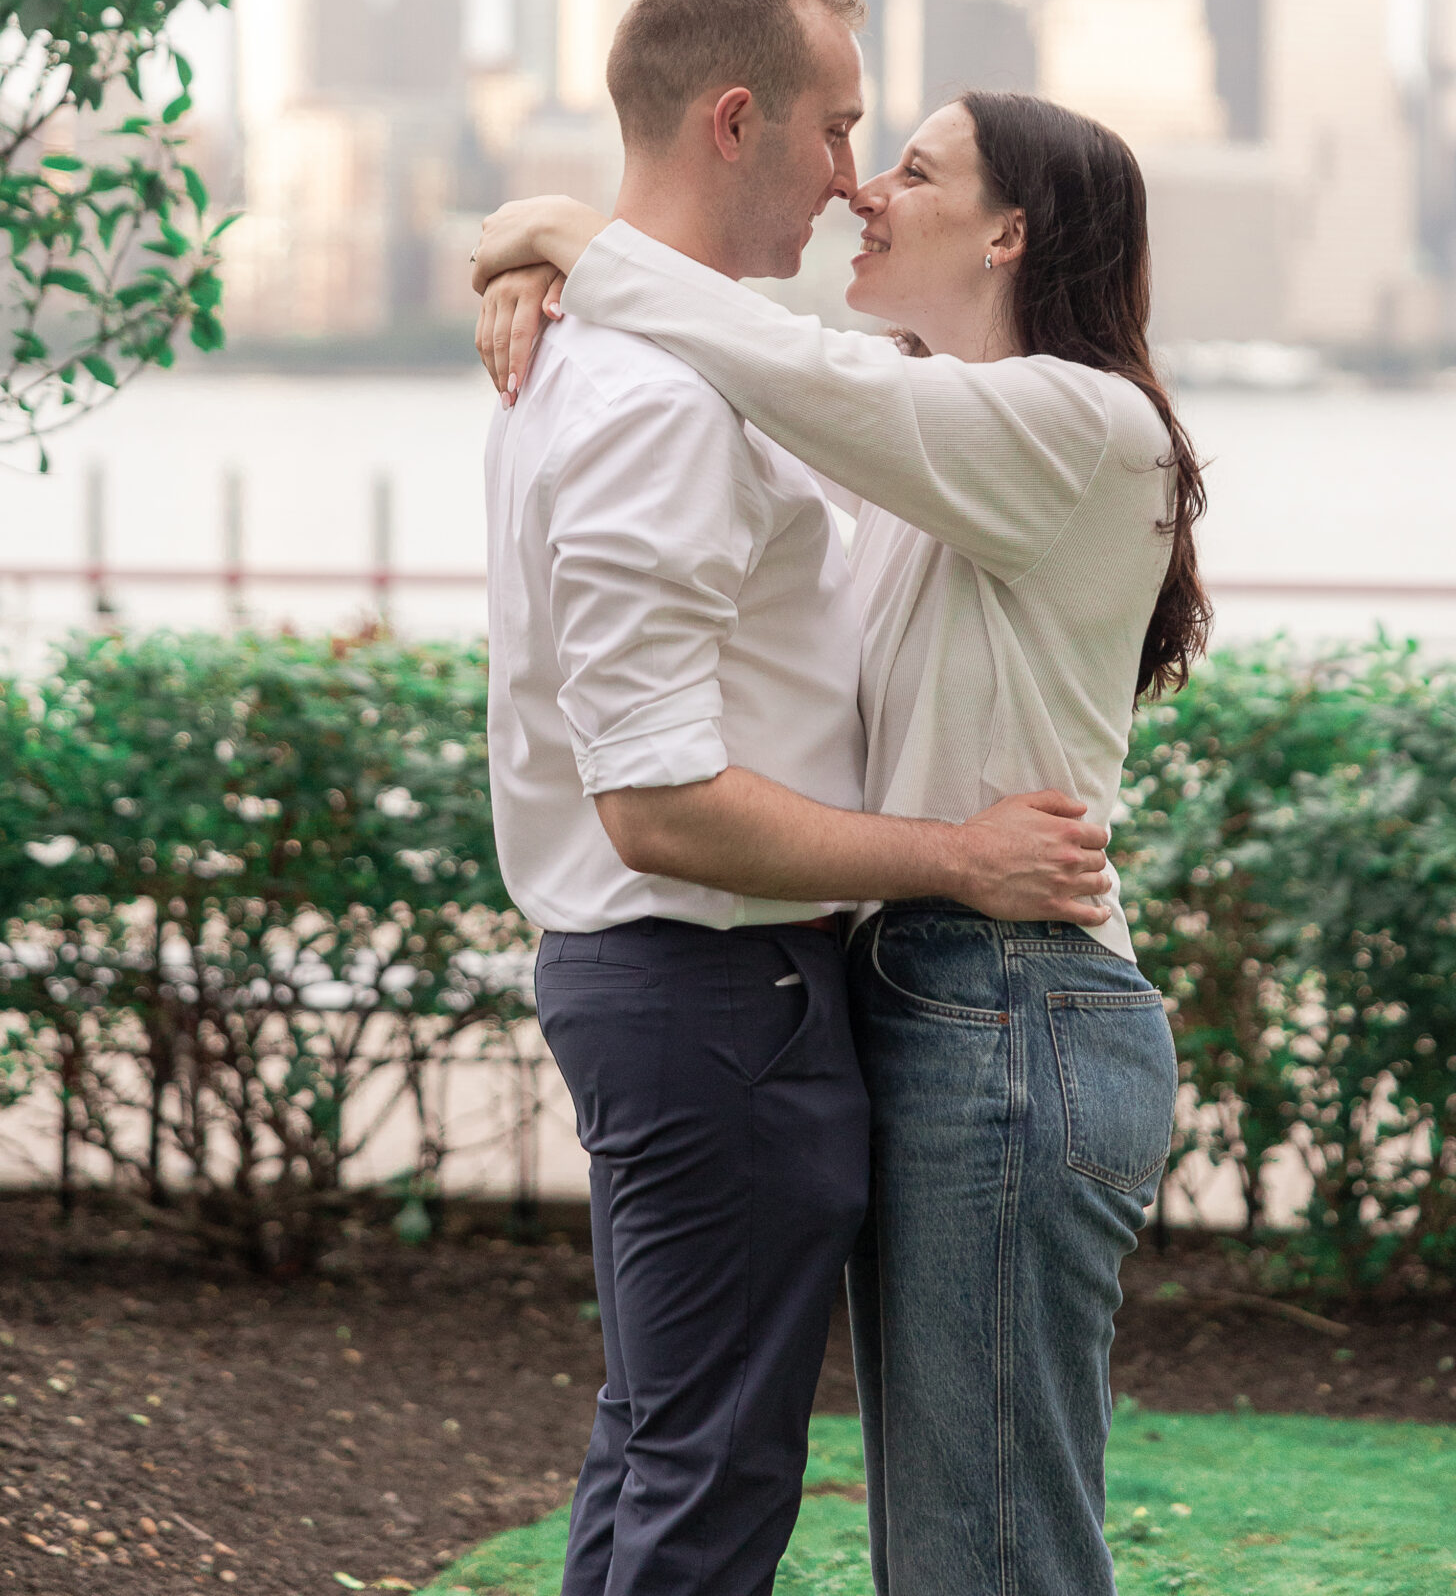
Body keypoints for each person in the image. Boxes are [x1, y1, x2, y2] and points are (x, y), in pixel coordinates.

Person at [475, 80, 1209, 1596]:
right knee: (943, 1544)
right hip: (940, 998)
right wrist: (541, 267)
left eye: (916, 170)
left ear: (1009, 233)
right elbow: (772, 383)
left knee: (981, 1550)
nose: (867, 189)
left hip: (1013, 1006)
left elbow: (787, 365)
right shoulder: (932, 442)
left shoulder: (1080, 425)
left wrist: (569, 230)